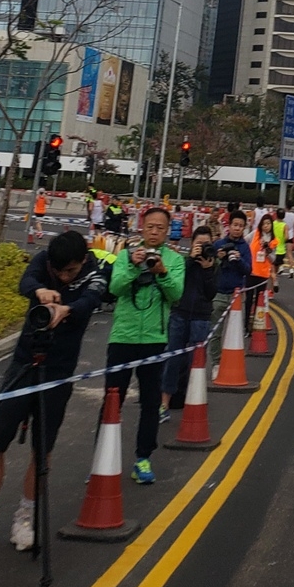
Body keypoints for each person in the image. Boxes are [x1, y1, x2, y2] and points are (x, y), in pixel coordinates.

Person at [0, 229, 106, 549]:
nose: (64, 277)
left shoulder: (94, 272)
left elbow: (93, 298)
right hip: (23, 364)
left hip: (57, 372)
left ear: (83, 260)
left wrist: (68, 310)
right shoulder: (43, 262)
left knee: (42, 450)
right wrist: (40, 290)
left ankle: (26, 518)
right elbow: (25, 281)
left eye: (70, 271)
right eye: (58, 272)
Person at [105, 206, 185, 485]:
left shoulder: (175, 259)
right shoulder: (125, 255)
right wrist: (132, 265)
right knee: (111, 402)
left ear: (167, 231)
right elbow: (114, 288)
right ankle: (103, 459)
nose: (154, 232)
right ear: (142, 227)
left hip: (154, 339)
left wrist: (161, 272)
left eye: (160, 228)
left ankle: (143, 458)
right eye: (150, 226)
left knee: (150, 403)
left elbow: (176, 294)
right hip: (122, 337)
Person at [162, 225, 219, 414]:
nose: (203, 248)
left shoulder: (213, 264)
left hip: (201, 317)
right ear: (192, 244)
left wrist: (207, 270)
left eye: (206, 244)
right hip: (180, 313)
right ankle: (164, 402)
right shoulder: (182, 262)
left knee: (195, 360)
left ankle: (193, 399)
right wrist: (190, 260)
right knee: (172, 358)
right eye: (199, 244)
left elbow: (211, 294)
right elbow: (175, 283)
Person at [210, 211, 253, 369]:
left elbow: (248, 270)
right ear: (229, 226)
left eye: (241, 226)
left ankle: (233, 364)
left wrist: (238, 259)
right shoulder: (218, 244)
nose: (237, 228)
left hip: (237, 294)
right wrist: (219, 258)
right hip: (219, 292)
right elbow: (209, 266)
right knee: (216, 331)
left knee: (235, 331)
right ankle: (216, 363)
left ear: (244, 228)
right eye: (235, 225)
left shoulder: (245, 248)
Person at [248, 213, 276, 328]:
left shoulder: (273, 240)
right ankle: (246, 323)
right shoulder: (255, 234)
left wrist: (267, 249)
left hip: (263, 274)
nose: (266, 226)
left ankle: (256, 324)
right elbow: (244, 241)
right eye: (264, 223)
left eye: (268, 223)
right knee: (249, 299)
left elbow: (273, 259)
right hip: (251, 271)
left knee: (259, 300)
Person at [272, 206, 288, 288]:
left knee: (272, 269)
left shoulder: (272, 224)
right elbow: (287, 237)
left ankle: (274, 282)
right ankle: (276, 278)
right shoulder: (285, 225)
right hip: (281, 250)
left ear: (276, 215)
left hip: (273, 249)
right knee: (276, 268)